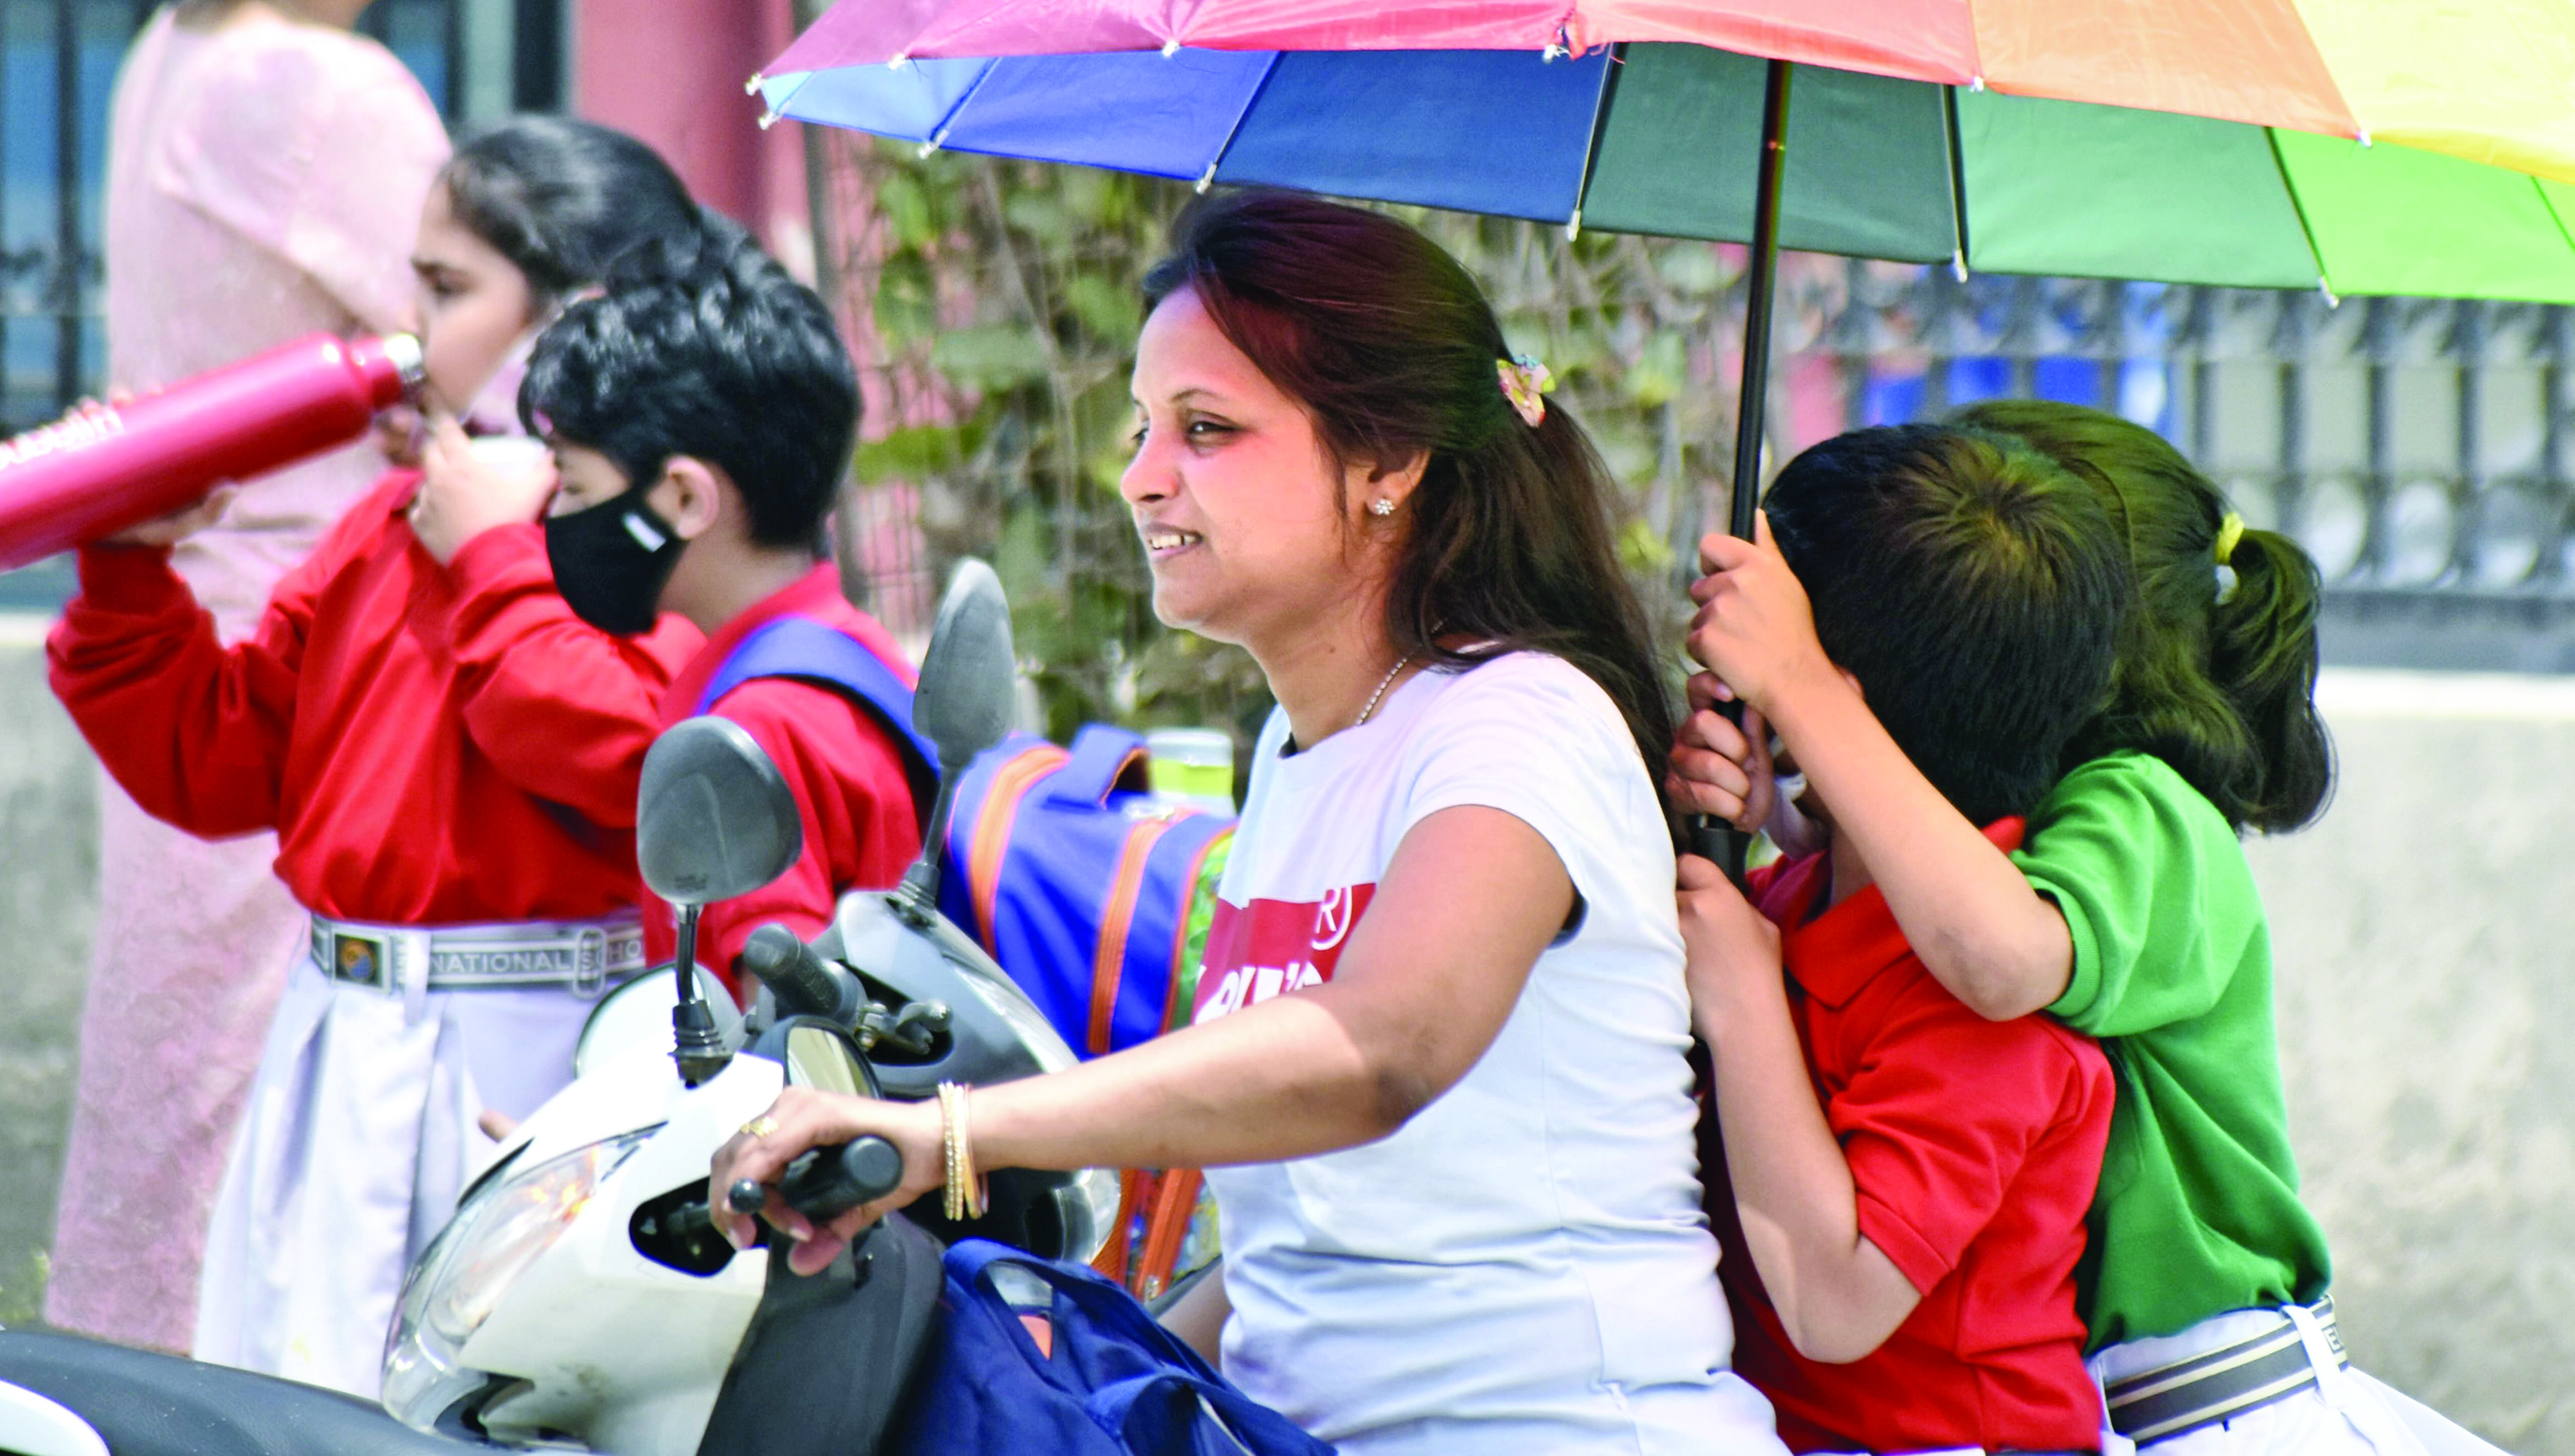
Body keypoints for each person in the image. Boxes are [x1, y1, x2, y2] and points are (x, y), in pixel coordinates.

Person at [710, 191, 1785, 1456]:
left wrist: (943, 1135)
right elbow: (1307, 1255)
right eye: (1143, 428)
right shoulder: (1298, 749)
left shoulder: (1517, 726)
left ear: (1388, 464)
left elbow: (1384, 1046)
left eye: (1208, 430)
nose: (1141, 477)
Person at [1675, 399, 2505, 1456]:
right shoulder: (2025, 811)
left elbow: (2000, 955)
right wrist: (1795, 817)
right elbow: (1931, 877)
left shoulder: (2146, 806)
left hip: (2217, 1405)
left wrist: (1798, 689)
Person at [47, 117, 708, 1397]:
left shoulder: (639, 540)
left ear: (582, 309)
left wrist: (498, 556)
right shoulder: (384, 522)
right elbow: (226, 759)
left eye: (450, 291)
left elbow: (632, 752)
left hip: (527, 1045)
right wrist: (129, 566)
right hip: (335, 1042)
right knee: (301, 1404)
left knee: (489, 1405)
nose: (410, 333)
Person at [51, 0, 466, 1354]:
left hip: (184, 615)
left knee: (172, 1074)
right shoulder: (334, 94)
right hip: (310, 643)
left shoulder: (174, 48)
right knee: (275, 1094)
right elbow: (485, 358)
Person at [1674, 423, 2128, 1454]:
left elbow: (1836, 1303)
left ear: (1828, 697)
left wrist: (1744, 1006)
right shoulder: (1801, 894)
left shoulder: (1980, 1003)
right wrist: (1772, 827)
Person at [485, 224, 925, 987]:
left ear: (684, 496)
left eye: (577, 488)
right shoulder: (852, 651)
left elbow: (775, 1042)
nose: (557, 516)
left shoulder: (751, 736)